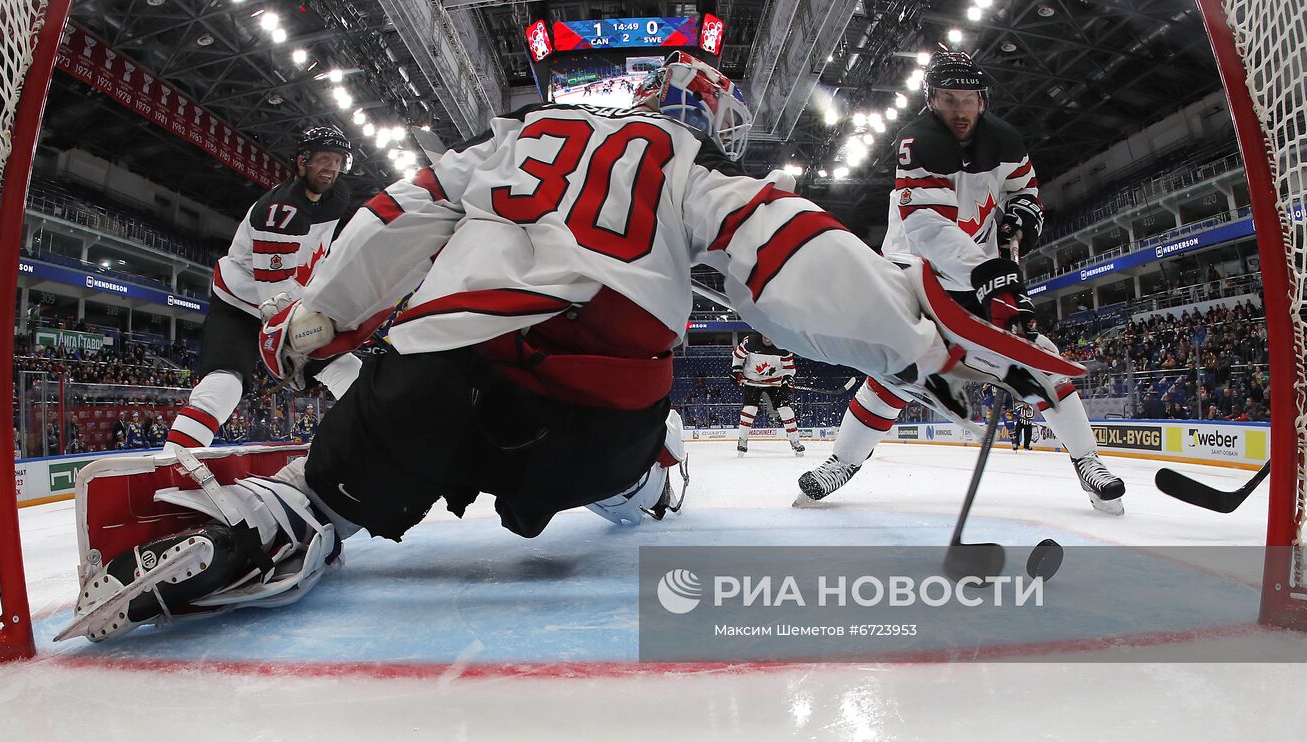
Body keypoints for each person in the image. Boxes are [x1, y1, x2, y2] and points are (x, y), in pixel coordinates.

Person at [57, 51, 1082, 642]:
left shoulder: (512, 140)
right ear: (700, 117)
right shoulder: (689, 174)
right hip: (593, 418)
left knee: (336, 482)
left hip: (433, 374)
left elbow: (394, 216)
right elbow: (792, 262)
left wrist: (316, 316)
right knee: (647, 457)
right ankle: (651, 484)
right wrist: (912, 351)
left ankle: (266, 526)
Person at [797, 50, 1126, 515]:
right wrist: (994, 277)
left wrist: (1022, 219)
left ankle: (1089, 463)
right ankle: (842, 462)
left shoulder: (1005, 141)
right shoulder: (920, 143)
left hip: (979, 278)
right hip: (918, 275)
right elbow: (929, 228)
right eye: (948, 99)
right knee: (894, 375)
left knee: (1043, 364)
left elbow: (1023, 194)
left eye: (967, 99)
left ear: (982, 100)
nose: (959, 109)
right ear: (931, 100)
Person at [163, 127, 362, 451]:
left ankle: (379, 441)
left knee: (346, 367)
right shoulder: (281, 212)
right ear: (301, 162)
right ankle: (173, 461)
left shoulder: (337, 195)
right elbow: (276, 297)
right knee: (224, 384)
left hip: (289, 299)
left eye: (338, 160)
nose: (332, 168)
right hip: (242, 305)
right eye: (324, 159)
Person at [730, 334, 804, 456]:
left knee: (786, 410)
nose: (768, 338)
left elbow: (789, 368)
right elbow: (737, 357)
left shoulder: (784, 345)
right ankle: (742, 441)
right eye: (765, 335)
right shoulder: (751, 342)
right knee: (749, 409)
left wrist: (787, 378)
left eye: (770, 335)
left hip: (775, 382)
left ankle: (795, 441)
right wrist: (736, 370)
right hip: (752, 380)